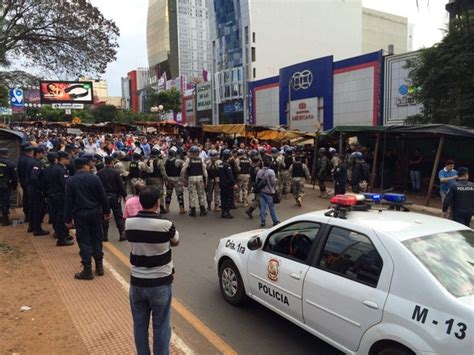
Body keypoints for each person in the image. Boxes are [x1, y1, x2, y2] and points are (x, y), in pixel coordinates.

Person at [126, 186, 179, 355]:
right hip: (160, 283)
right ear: (157, 203)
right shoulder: (165, 224)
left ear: (140, 202)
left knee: (140, 325)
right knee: (161, 325)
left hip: (137, 282)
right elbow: (176, 241)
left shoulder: (129, 223)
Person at [64, 158, 111, 280]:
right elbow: (103, 196)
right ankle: (99, 266)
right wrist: (106, 211)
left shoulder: (71, 181)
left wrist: (67, 219)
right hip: (95, 212)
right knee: (97, 238)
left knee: (84, 241)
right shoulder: (94, 178)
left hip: (80, 214)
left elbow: (68, 202)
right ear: (85, 166)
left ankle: (87, 269)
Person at [97, 156, 127, 242]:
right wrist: (124, 196)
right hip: (115, 197)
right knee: (118, 215)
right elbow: (121, 186)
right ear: (112, 162)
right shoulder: (116, 173)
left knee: (105, 215)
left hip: (103, 197)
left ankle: (105, 235)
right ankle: (121, 234)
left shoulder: (99, 173)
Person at [48, 151, 74, 246]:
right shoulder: (60, 170)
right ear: (62, 159)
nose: (69, 161)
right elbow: (65, 184)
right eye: (68, 159)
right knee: (61, 217)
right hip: (60, 196)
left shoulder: (57, 168)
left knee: (59, 216)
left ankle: (64, 235)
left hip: (56, 195)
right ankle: (61, 238)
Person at [26, 147, 49, 235]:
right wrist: (40, 188)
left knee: (33, 209)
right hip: (36, 190)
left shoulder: (31, 161)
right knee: (38, 210)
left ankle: (31, 226)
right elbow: (34, 177)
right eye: (43, 153)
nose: (44, 155)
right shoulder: (36, 163)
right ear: (38, 153)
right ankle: (37, 229)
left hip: (31, 189)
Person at [181, 146, 207, 217]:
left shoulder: (188, 160)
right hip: (200, 177)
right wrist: (206, 180)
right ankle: (202, 210)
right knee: (201, 193)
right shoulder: (201, 160)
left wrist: (183, 179)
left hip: (191, 177)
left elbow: (183, 170)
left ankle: (193, 211)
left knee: (192, 194)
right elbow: (205, 170)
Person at [256, 157, 280, 228]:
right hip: (269, 192)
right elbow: (273, 182)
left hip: (262, 192)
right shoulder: (271, 172)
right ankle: (275, 220)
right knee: (271, 207)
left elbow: (257, 181)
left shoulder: (260, 171)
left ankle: (262, 221)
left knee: (263, 207)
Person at [162, 149, 186, 214]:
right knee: (180, 194)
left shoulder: (165, 161)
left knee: (168, 194)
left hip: (169, 179)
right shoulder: (178, 161)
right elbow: (184, 166)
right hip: (177, 180)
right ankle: (181, 209)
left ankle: (167, 208)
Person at [0, 148, 18, 226]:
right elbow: (14, 177)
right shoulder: (11, 163)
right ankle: (5, 220)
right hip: (5, 186)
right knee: (5, 202)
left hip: (4, 185)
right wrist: (14, 187)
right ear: (8, 154)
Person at [146, 149, 167, 215]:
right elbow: (163, 171)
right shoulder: (159, 162)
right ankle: (161, 207)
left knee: (150, 193)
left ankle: (151, 207)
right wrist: (166, 179)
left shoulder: (148, 161)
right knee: (159, 193)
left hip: (149, 179)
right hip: (158, 179)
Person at [17, 145, 34, 222]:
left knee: (25, 198)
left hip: (23, 182)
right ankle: (30, 216)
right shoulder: (30, 160)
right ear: (31, 152)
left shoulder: (21, 159)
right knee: (30, 199)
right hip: (29, 183)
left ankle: (27, 214)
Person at [219, 149, 236, 219]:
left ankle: (223, 212)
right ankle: (227, 212)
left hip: (221, 184)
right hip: (227, 184)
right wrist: (233, 183)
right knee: (229, 198)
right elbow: (230, 176)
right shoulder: (227, 165)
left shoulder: (220, 164)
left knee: (223, 198)